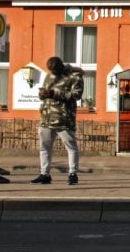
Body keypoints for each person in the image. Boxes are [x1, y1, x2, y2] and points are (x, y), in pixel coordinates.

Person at [31, 56, 84, 185]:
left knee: (71, 147)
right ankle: (45, 174)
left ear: (60, 66)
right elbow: (45, 93)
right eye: (50, 71)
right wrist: (42, 94)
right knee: (44, 147)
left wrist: (53, 93)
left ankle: (73, 173)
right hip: (47, 117)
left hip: (64, 119)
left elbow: (76, 95)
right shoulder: (49, 76)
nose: (52, 73)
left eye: (54, 71)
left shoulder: (75, 76)